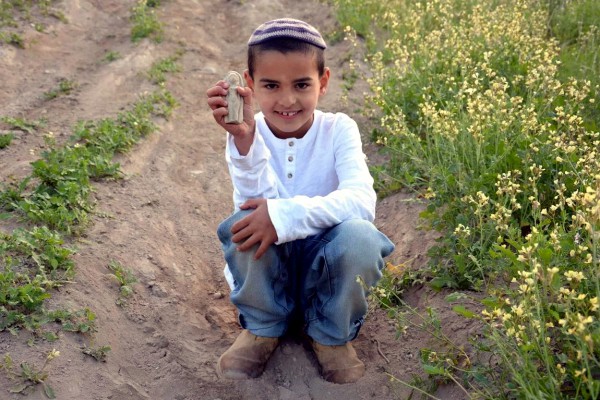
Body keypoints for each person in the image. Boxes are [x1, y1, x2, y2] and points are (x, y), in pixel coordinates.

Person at [206, 18, 395, 384]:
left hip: (325, 270)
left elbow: (361, 201)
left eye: (302, 84)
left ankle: (330, 333)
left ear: (322, 83)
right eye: (271, 85)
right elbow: (252, 207)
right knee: (240, 225)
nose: (287, 99)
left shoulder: (339, 128)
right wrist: (245, 141)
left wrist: (284, 215)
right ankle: (263, 327)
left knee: (361, 236)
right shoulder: (249, 132)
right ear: (249, 84)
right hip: (269, 271)